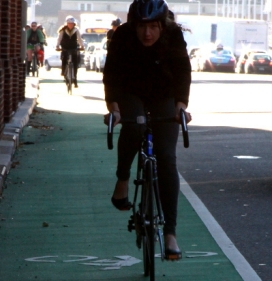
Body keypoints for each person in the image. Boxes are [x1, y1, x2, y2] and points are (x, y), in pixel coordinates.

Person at [103, 0, 192, 260]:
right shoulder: (122, 37)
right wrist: (114, 108)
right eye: (142, 27)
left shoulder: (174, 34)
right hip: (131, 93)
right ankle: (122, 180)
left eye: (153, 27)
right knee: (135, 125)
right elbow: (111, 75)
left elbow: (183, 71)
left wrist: (180, 106)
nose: (148, 33)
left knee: (166, 157)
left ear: (162, 25)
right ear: (134, 25)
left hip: (163, 94)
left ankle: (170, 233)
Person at [56, 16, 84, 88]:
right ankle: (64, 72)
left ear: (74, 24)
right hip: (65, 47)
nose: (70, 25)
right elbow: (59, 38)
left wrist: (82, 46)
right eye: (69, 23)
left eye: (72, 23)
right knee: (64, 59)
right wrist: (57, 46)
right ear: (67, 23)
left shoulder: (76, 30)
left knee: (75, 62)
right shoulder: (63, 30)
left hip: (73, 47)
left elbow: (79, 39)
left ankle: (75, 79)